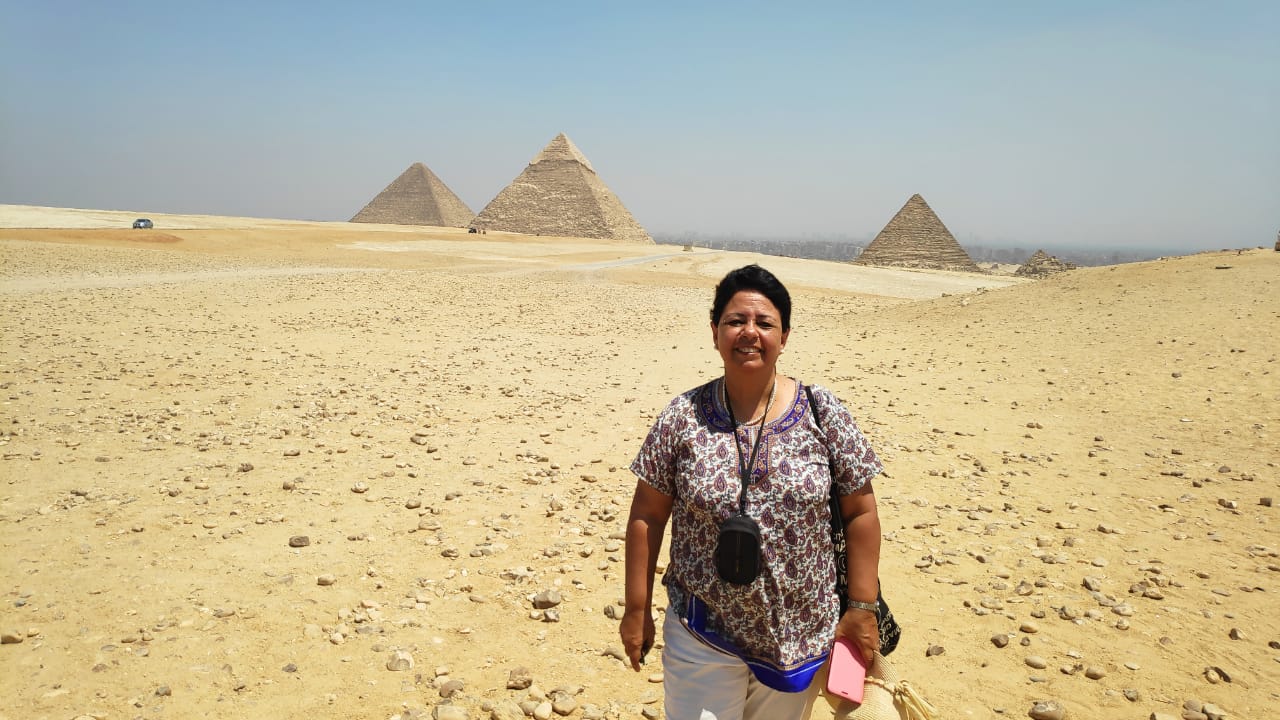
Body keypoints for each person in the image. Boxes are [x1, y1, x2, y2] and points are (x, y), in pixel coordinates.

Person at [620, 264, 884, 719]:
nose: (749, 332)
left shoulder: (823, 411)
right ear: (715, 332)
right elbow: (648, 513)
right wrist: (636, 608)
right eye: (735, 320)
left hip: (798, 635)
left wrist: (862, 608)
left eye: (764, 323)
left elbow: (861, 511)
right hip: (703, 628)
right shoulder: (682, 416)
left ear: (784, 336)